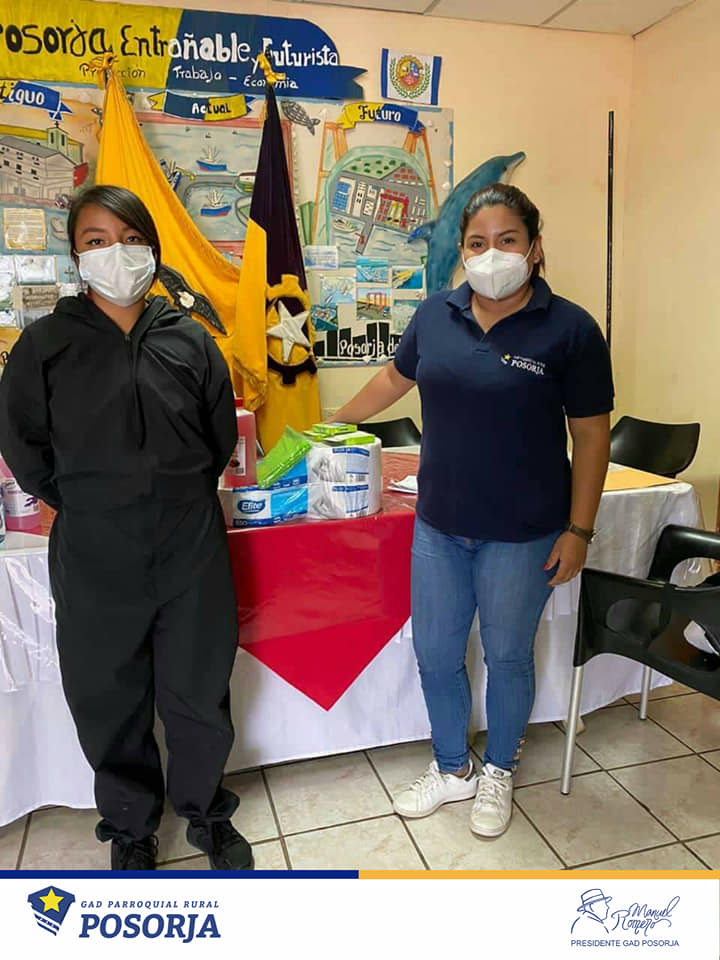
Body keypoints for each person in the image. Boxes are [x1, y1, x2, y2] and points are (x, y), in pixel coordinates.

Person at [333, 183, 613, 838]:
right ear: (462, 251)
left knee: (508, 656)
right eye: (477, 243)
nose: (492, 254)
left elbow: (592, 435)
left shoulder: (571, 329)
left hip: (523, 533)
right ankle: (452, 767)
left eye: (507, 240)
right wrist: (335, 423)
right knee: (435, 653)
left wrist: (579, 530)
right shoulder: (437, 313)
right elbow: (395, 377)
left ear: (534, 247)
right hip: (440, 526)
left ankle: (499, 771)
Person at [0, 185, 252, 871]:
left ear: (153, 248)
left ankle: (205, 811)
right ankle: (131, 826)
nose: (116, 253)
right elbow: (24, 445)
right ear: (76, 256)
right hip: (94, 547)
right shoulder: (45, 344)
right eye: (96, 241)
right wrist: (90, 501)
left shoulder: (190, 339)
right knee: (107, 694)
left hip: (189, 542)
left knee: (198, 688)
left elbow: (217, 437)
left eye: (131, 238)